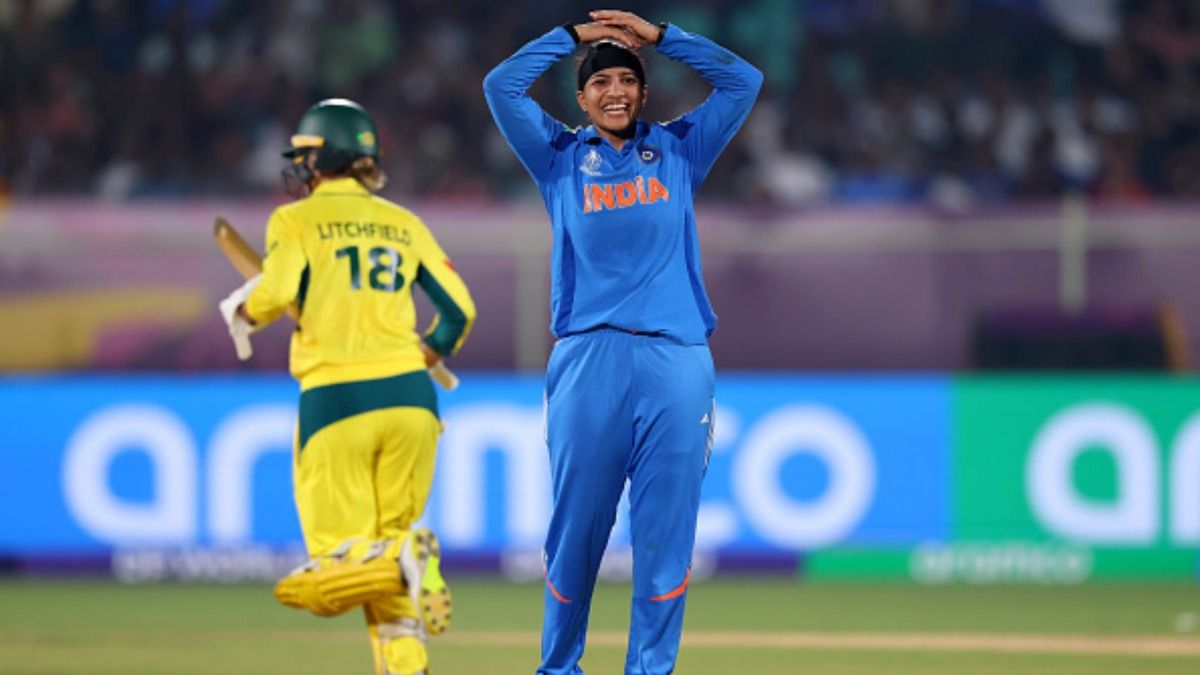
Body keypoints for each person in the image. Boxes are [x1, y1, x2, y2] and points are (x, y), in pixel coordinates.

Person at [483, 10, 762, 675]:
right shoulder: (557, 157)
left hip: (676, 359)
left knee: (665, 537)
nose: (615, 90)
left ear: (644, 91)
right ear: (580, 98)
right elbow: (500, 86)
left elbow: (743, 82)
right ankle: (558, 667)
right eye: (600, 81)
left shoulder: (678, 148)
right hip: (589, 357)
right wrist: (574, 37)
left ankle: (650, 669)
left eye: (627, 80)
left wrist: (664, 37)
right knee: (576, 532)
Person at [217, 98, 476, 675]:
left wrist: (242, 308)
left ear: (326, 155)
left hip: (337, 403)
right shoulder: (404, 223)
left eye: (306, 155)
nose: (300, 167)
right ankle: (405, 661)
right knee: (384, 555)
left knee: (328, 572)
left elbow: (274, 295)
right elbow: (459, 311)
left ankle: (406, 556)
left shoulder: (295, 220)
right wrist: (428, 351)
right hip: (413, 399)